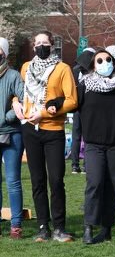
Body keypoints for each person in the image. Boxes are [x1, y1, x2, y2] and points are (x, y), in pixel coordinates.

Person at [16, 31, 78, 242]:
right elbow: (20, 92)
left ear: (52, 46)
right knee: (37, 180)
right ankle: (43, 226)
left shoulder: (62, 69)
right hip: (30, 129)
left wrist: (44, 112)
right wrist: (16, 103)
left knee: (56, 179)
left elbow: (71, 100)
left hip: (53, 130)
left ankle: (59, 227)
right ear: (33, 46)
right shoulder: (26, 68)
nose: (41, 46)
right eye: (38, 43)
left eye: (45, 43)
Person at [77, 49, 115, 244]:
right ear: (93, 64)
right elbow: (71, 103)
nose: (104, 63)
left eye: (108, 60)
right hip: (94, 145)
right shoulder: (84, 86)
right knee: (95, 184)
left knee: (114, 186)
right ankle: (89, 227)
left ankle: (106, 228)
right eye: (100, 60)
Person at [0, 38, 25, 239]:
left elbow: (24, 99)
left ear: (5, 53)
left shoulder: (14, 75)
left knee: (13, 180)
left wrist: (7, 116)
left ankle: (16, 224)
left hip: (12, 134)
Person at [70, 47, 95, 174]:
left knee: (76, 136)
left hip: (77, 107)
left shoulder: (74, 70)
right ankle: (84, 164)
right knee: (86, 136)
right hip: (85, 107)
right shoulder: (93, 71)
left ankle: (75, 164)